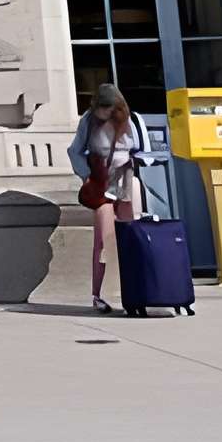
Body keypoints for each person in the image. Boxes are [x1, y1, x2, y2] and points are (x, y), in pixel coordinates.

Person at [69, 81, 150, 314]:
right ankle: (99, 294)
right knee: (104, 240)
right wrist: (85, 177)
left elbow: (138, 149)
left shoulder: (129, 121)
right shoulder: (89, 121)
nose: (103, 112)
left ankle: (134, 291)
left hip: (125, 178)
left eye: (108, 107)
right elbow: (74, 150)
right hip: (101, 182)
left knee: (131, 235)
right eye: (100, 107)